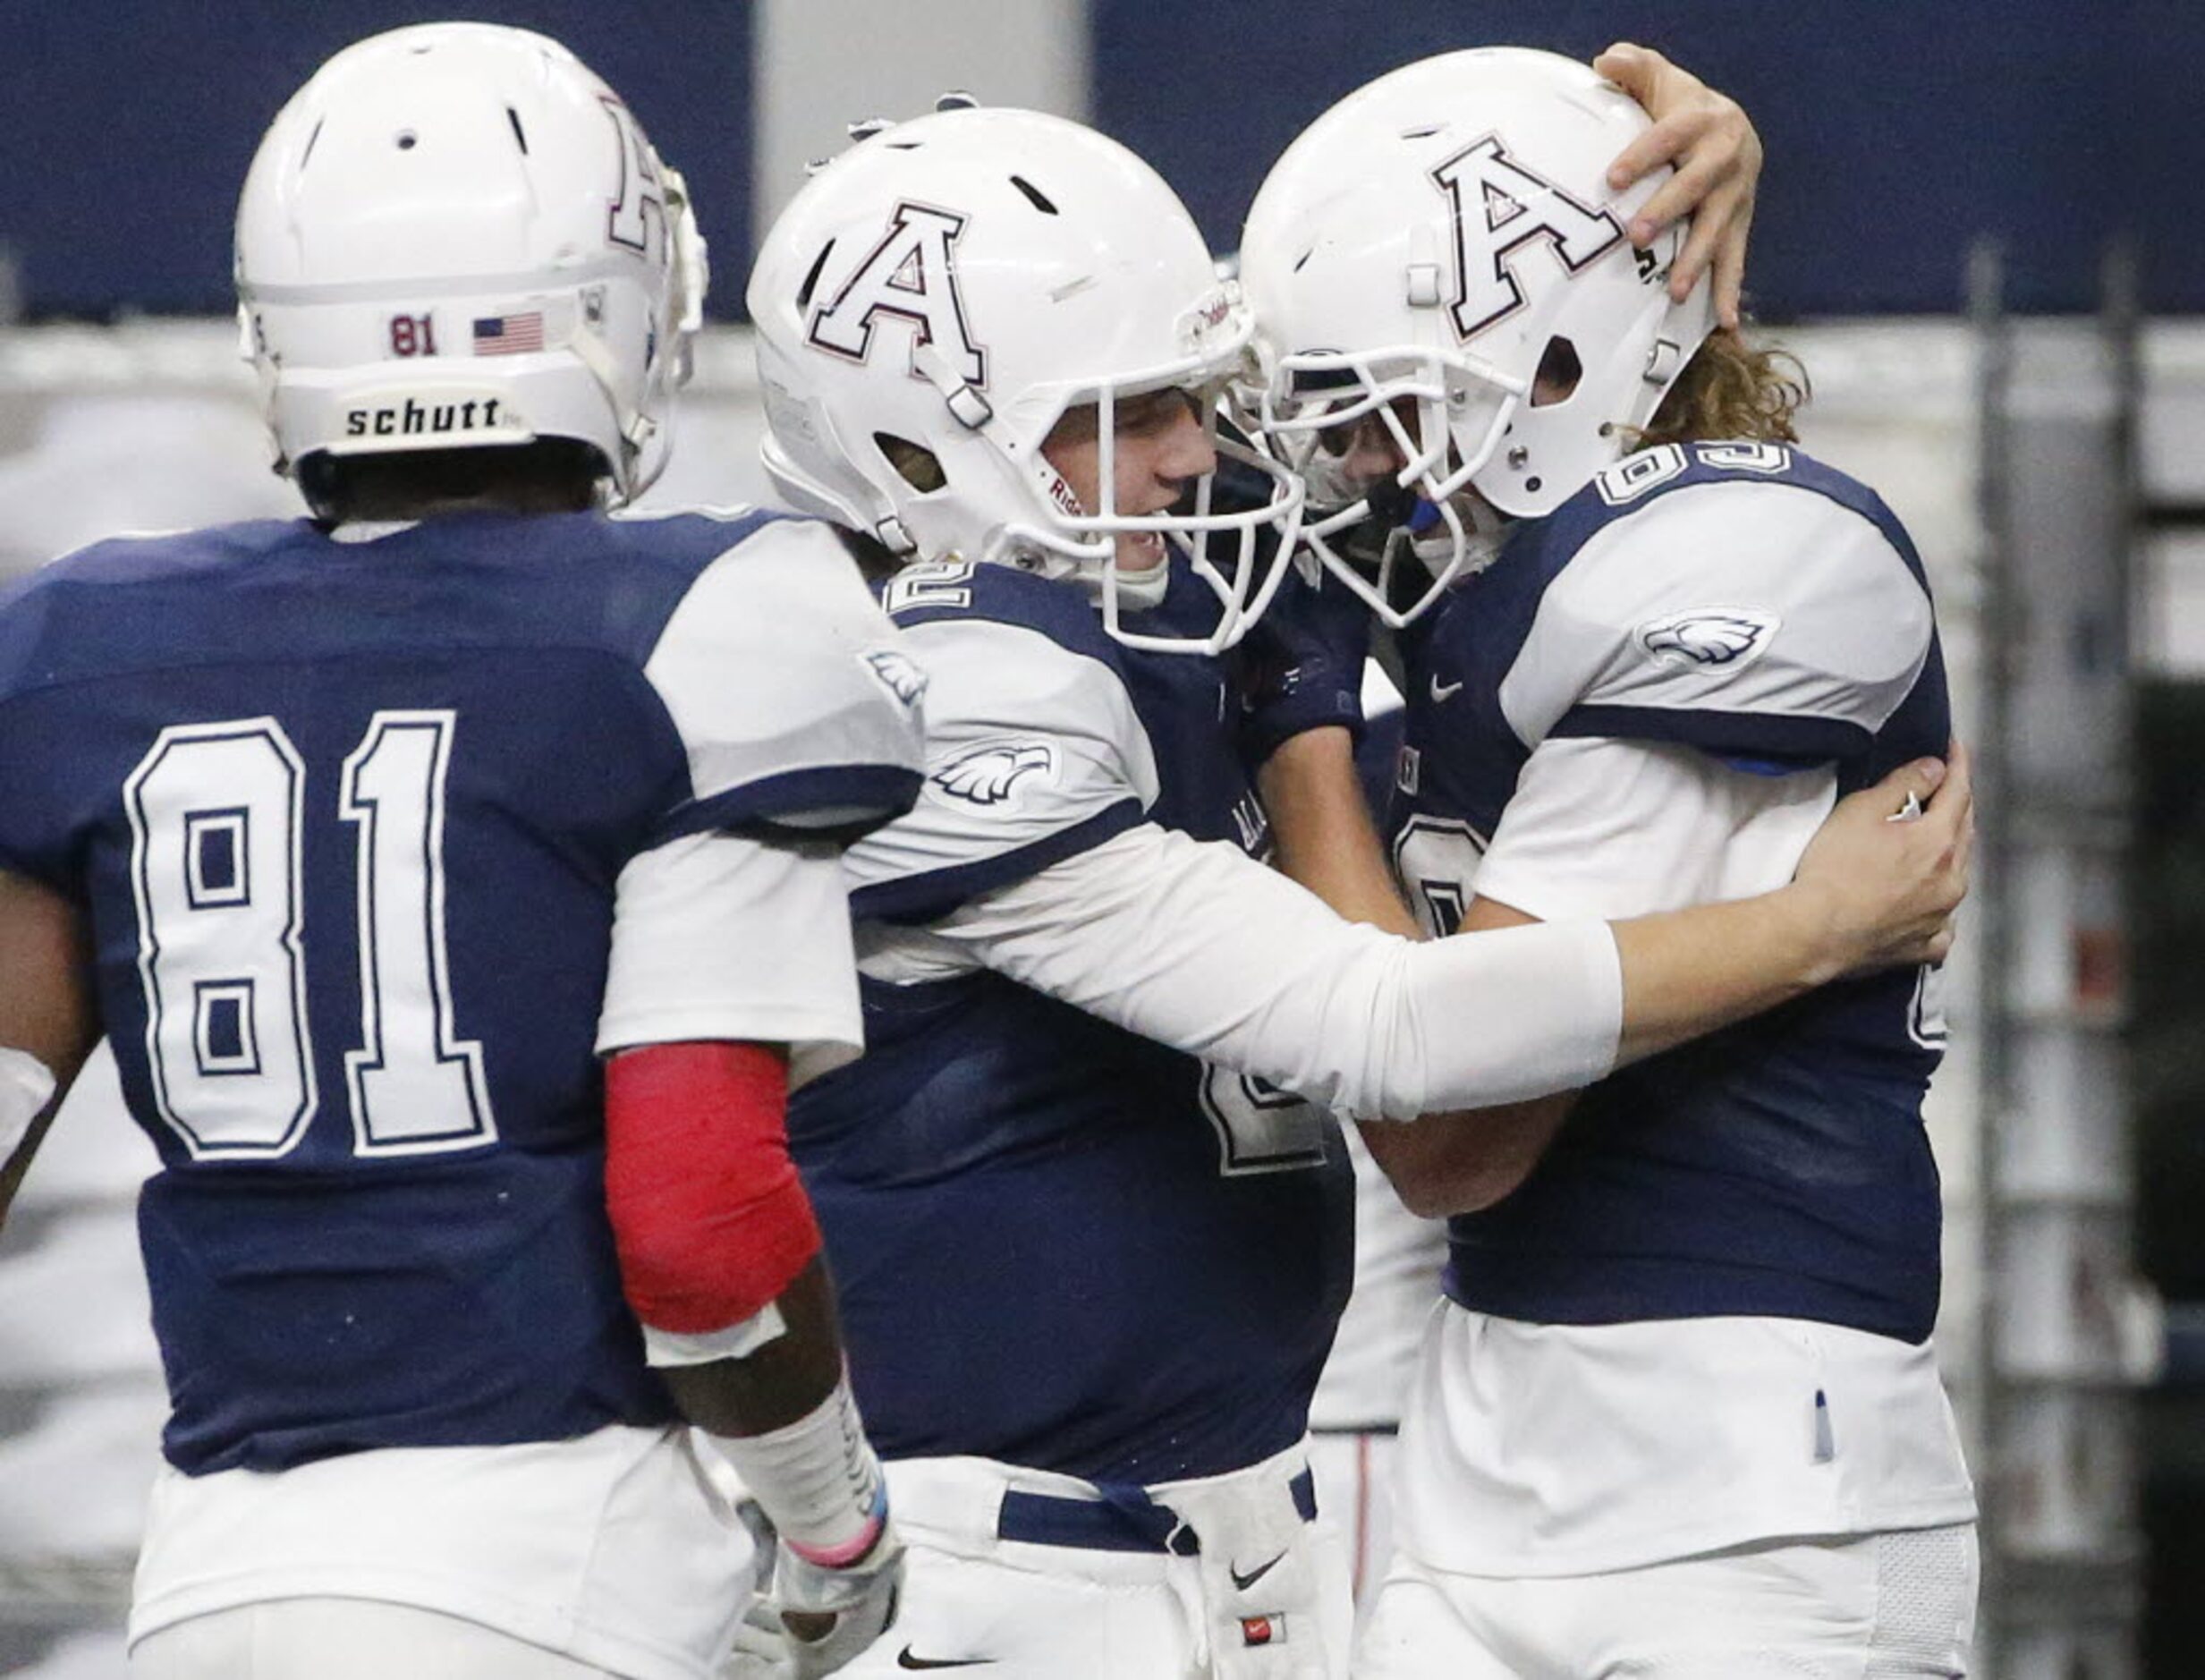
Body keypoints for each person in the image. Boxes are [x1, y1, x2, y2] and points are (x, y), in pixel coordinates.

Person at [738, 73, 1969, 1680]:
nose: (1209, 457)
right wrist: (1807, 929)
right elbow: (1426, 1084)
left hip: (1516, 1490)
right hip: (1021, 1533)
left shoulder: (1214, 601)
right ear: (930, 442)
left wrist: (1677, 181)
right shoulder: (956, 686)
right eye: (1129, 413)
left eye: (1197, 396)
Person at [0, 25, 926, 1679]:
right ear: (621, 305)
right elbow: (703, 1230)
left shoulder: (83, 644)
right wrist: (831, 1519)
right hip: (552, 1568)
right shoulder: (705, 625)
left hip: (210, 1583)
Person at [1237, 46, 1977, 1677]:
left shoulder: (1751, 546)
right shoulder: (1448, 576)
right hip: (1483, 1435)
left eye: (1385, 401)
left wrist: (1301, 747)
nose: (1353, 459)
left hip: (1751, 1479)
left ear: (1556, 355)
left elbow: (1448, 1128)